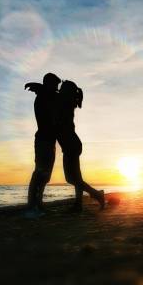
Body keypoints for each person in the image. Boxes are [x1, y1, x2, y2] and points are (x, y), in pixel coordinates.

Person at [57, 80, 105, 212]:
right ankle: (78, 205)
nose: (59, 90)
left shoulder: (64, 102)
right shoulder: (69, 101)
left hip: (70, 145)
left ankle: (97, 195)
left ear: (66, 91)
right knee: (77, 178)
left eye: (61, 88)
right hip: (72, 144)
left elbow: (55, 96)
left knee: (70, 178)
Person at [24, 72, 61, 215]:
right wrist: (40, 88)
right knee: (40, 172)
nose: (57, 88)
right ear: (49, 84)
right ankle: (32, 205)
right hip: (43, 140)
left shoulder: (47, 95)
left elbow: (57, 97)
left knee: (45, 175)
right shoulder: (43, 97)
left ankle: (37, 203)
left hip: (49, 141)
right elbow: (52, 96)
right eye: (55, 85)